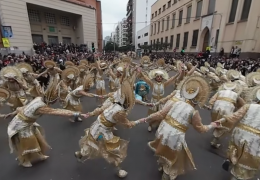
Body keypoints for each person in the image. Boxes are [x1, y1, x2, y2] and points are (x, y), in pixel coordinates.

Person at [135, 76, 219, 180]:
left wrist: (146, 118)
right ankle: (166, 174)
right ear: (198, 99)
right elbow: (201, 129)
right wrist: (212, 125)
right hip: (175, 136)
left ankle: (162, 165)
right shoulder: (194, 112)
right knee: (173, 157)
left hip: (162, 130)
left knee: (163, 148)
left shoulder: (177, 103)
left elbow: (161, 114)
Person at [6, 86, 86, 168]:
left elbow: (25, 107)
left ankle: (38, 155)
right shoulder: (41, 107)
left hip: (28, 122)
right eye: (54, 101)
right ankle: (23, 160)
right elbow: (58, 112)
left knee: (38, 136)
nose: (55, 102)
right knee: (28, 141)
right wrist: (77, 113)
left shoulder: (38, 98)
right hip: (21, 125)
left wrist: (12, 113)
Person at [74, 79, 137, 178]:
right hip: (104, 131)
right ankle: (118, 170)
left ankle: (80, 153)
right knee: (113, 150)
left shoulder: (112, 103)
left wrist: (90, 114)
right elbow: (126, 124)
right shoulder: (120, 112)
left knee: (91, 142)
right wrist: (136, 122)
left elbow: (100, 109)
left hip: (96, 126)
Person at [220, 86, 260, 180]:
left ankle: (231, 159)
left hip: (240, 133)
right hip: (256, 140)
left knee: (235, 149)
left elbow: (234, 116)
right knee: (247, 163)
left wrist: (221, 120)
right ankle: (236, 176)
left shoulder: (249, 106)